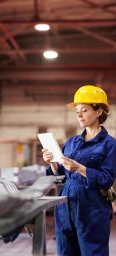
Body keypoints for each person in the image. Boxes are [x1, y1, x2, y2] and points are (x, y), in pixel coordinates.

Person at [42, 85, 116, 256]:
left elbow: (107, 179)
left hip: (92, 207)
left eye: (84, 110)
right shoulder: (72, 142)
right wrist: (52, 162)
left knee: (92, 251)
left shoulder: (110, 144)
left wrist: (80, 168)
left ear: (99, 112)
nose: (79, 115)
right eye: (77, 111)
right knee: (66, 251)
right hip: (66, 205)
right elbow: (60, 173)